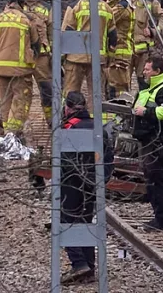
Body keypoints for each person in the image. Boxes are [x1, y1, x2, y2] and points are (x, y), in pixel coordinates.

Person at [59, 90, 114, 285]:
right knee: (86, 222)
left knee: (66, 221)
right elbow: (109, 158)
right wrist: (102, 179)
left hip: (72, 185)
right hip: (93, 184)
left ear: (67, 108)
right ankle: (89, 266)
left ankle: (79, 263)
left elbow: (65, 162)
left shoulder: (69, 129)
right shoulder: (98, 128)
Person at [133, 56, 163, 230]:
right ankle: (158, 218)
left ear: (157, 72)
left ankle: (162, 221)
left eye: (147, 69)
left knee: (158, 180)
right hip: (149, 141)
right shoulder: (152, 88)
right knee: (151, 180)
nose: (144, 72)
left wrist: (146, 112)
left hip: (159, 142)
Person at [62, 0, 117, 98]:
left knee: (71, 93)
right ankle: (95, 117)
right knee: (97, 96)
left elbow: (67, 33)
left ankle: (71, 117)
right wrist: (109, 58)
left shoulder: (75, 6)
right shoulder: (107, 8)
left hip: (75, 59)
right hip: (98, 59)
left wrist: (61, 58)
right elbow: (113, 36)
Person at [0, 0, 38, 138]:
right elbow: (35, 43)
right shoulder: (26, 20)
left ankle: (5, 132)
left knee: (4, 100)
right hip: (20, 69)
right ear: (21, 1)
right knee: (20, 100)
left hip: (0, 68)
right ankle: (12, 135)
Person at [114, 0, 163, 89]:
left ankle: (144, 107)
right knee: (121, 83)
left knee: (144, 82)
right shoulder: (116, 0)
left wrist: (155, 31)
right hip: (123, 51)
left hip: (142, 51)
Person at [19, 0, 53, 126]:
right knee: (21, 92)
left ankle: (52, 122)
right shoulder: (16, 7)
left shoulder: (46, 8)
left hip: (42, 57)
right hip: (22, 55)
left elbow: (52, 31)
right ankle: (18, 126)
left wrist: (54, 52)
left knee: (47, 90)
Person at [102, 0, 134, 99]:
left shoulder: (121, 7)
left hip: (120, 54)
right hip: (115, 53)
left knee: (117, 90)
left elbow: (104, 19)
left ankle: (121, 117)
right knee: (110, 88)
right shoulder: (116, 3)